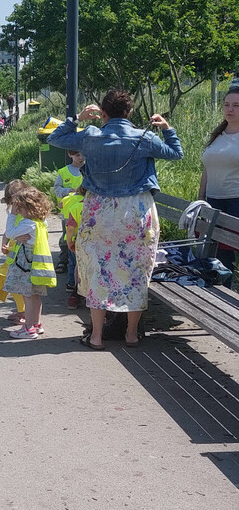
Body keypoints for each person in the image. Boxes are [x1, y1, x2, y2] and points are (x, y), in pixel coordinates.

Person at [48, 89, 183, 349]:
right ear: (129, 112)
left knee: (99, 271)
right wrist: (167, 128)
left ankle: (97, 336)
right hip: (136, 211)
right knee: (137, 271)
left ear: (103, 113)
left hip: (99, 210)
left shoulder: (90, 136)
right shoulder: (144, 137)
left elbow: (55, 138)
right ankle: (131, 334)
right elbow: (175, 153)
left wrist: (77, 117)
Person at [2, 184, 56, 340]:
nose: (18, 210)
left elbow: (10, 232)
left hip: (26, 265)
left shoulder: (28, 223)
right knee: (36, 295)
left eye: (20, 208)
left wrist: (12, 215)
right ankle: (37, 324)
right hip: (37, 265)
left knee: (28, 296)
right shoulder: (40, 222)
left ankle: (28, 328)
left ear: (28, 208)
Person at [199, 86, 239, 269]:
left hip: (235, 202)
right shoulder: (217, 136)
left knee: (230, 251)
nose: (230, 109)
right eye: (227, 105)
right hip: (213, 201)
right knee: (218, 255)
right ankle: (221, 292)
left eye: (236, 105)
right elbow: (207, 168)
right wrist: (200, 198)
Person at [0, 179, 27, 325]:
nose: (15, 205)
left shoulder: (28, 214)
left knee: (21, 286)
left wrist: (15, 236)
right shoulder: (13, 213)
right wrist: (5, 243)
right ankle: (22, 310)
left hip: (25, 257)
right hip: (14, 255)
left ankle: (26, 313)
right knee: (13, 285)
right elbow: (8, 232)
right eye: (12, 202)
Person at [53, 150, 85, 281]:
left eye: (83, 154)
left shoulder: (89, 170)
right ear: (70, 155)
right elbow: (57, 188)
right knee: (67, 235)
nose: (81, 158)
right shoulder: (64, 172)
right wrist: (67, 191)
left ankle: (79, 261)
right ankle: (64, 258)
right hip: (67, 211)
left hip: (83, 209)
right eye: (77, 155)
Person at [62, 187, 86, 308]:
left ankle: (75, 294)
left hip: (80, 243)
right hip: (98, 244)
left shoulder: (76, 207)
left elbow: (71, 228)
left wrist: (70, 242)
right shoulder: (100, 207)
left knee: (77, 267)